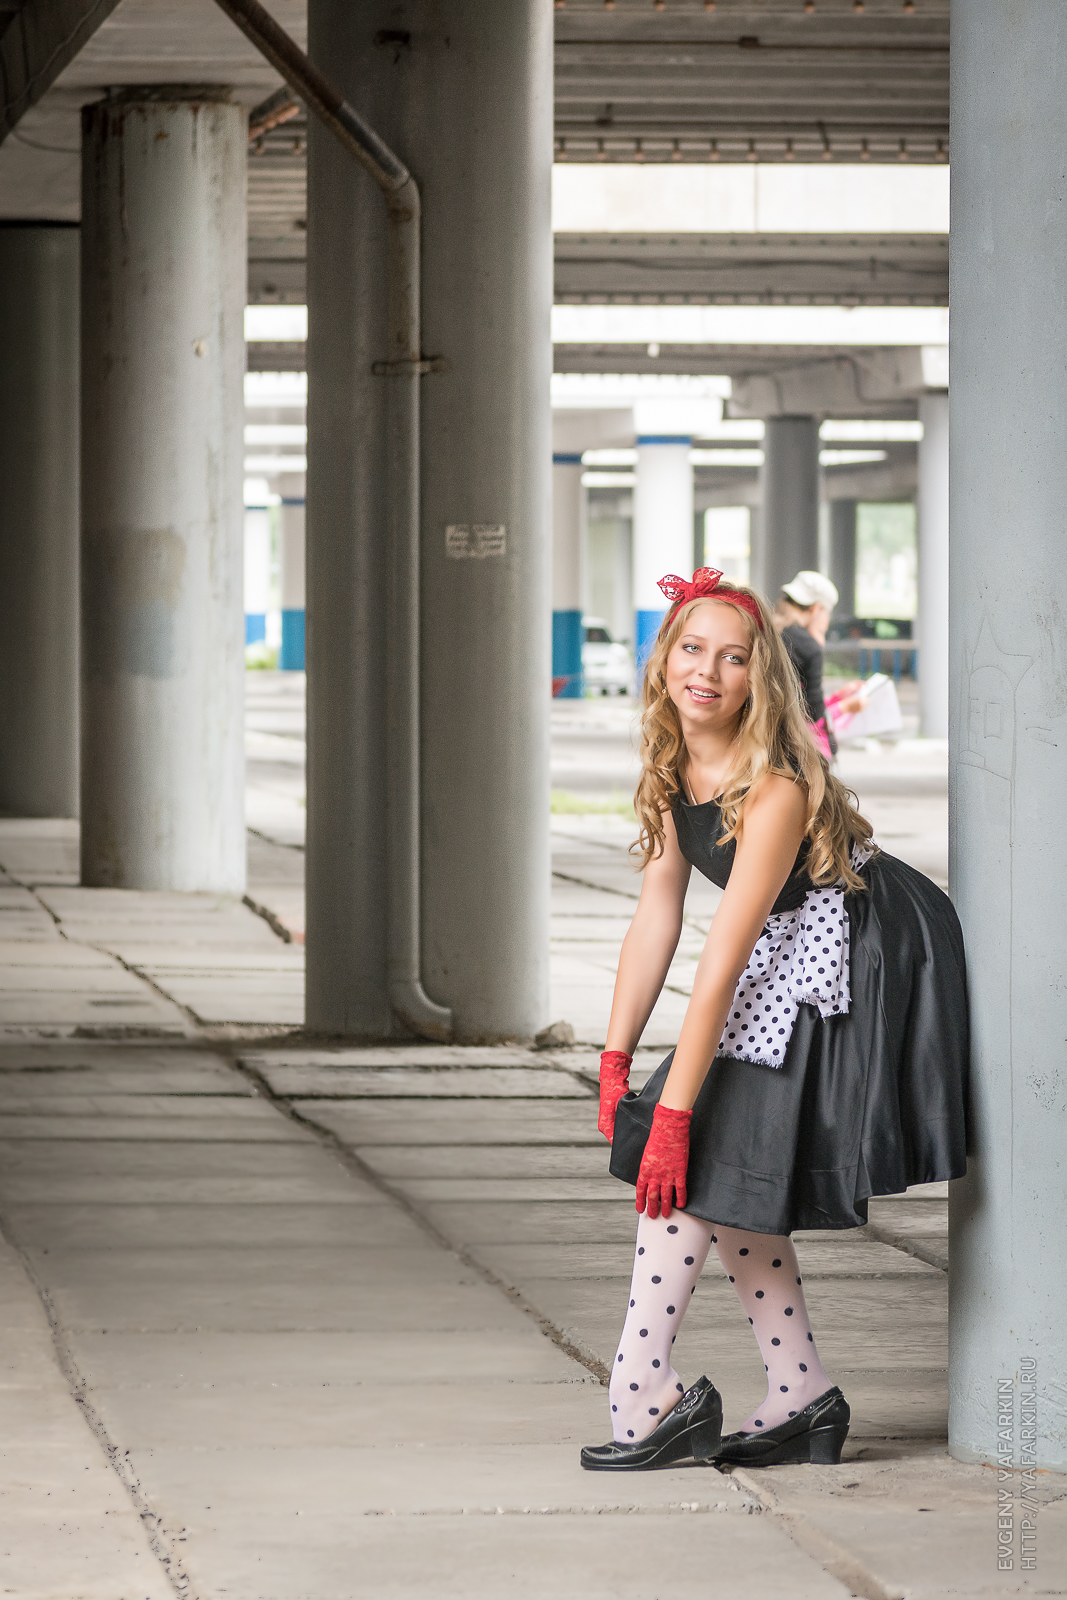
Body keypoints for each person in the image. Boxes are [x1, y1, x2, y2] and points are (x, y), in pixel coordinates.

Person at [580, 566, 968, 1473]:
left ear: (761, 676)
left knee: (704, 1149)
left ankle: (642, 1392)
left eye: (733, 657)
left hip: (864, 947)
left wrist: (672, 1115)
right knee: (733, 1163)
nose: (706, 671)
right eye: (690, 649)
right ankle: (799, 1394)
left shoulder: (777, 786)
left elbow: (722, 956)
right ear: (662, 659)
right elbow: (656, 918)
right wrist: (614, 1056)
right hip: (784, 940)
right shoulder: (671, 767)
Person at [775, 571, 862, 759]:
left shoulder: (766, 630)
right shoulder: (807, 646)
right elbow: (813, 715)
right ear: (816, 609)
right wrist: (846, 706)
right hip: (791, 753)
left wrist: (837, 696)